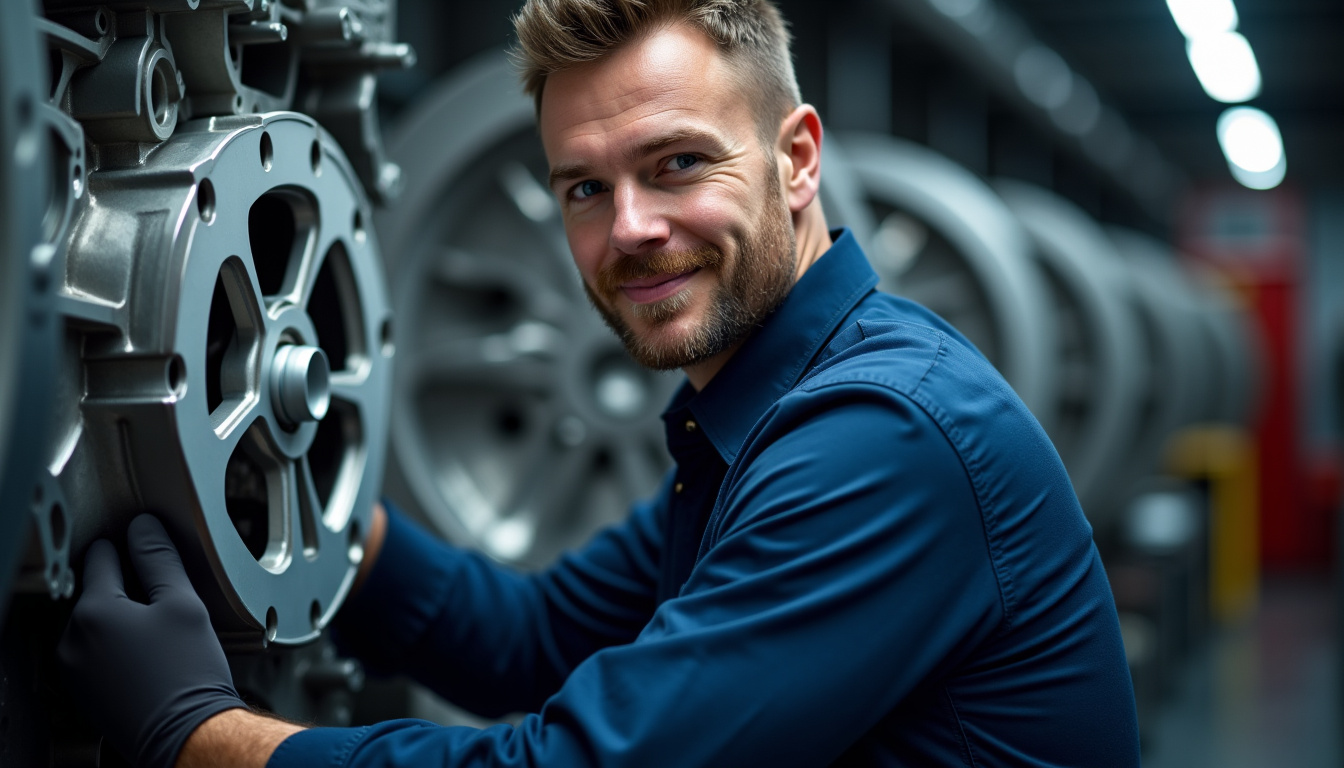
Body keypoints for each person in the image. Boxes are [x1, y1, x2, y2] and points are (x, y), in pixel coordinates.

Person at [58, 1, 1141, 766]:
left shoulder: (878, 438)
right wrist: (318, 501)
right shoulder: (758, 414)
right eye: (584, 187)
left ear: (798, 159)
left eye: (678, 164)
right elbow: (530, 640)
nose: (630, 228)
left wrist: (198, 736)